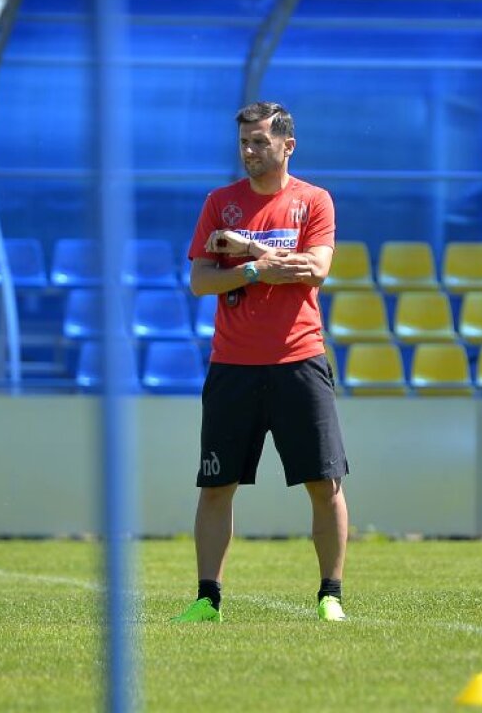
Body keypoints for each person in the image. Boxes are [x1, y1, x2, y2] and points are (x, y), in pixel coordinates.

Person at [172, 101, 350, 623]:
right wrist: (255, 271)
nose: (250, 151)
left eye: (260, 142)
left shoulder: (314, 201)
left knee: (325, 483)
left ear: (287, 146)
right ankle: (207, 599)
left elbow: (314, 270)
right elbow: (202, 280)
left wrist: (246, 249)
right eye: (245, 143)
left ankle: (330, 596)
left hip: (300, 359)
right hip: (233, 365)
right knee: (216, 485)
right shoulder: (219, 202)